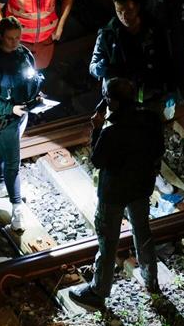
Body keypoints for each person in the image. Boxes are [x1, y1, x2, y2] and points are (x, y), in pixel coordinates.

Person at [69, 78, 164, 310]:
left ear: (111, 101)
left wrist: (97, 130)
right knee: (143, 231)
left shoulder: (112, 130)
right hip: (141, 187)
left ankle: (98, 291)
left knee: (108, 240)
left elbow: (98, 160)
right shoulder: (150, 119)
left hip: (114, 193)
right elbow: (159, 149)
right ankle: (151, 281)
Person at [0, 17, 43, 230]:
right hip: (6, 120)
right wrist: (10, 109)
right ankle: (17, 209)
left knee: (5, 152)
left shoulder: (23, 54)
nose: (15, 42)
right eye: (10, 38)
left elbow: (31, 77)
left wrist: (36, 96)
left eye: (18, 37)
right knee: (13, 163)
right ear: (0, 37)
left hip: (22, 113)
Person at [89, 0, 167, 113]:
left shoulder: (153, 30)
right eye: (119, 12)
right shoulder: (107, 34)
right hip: (119, 101)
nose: (124, 17)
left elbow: (166, 59)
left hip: (150, 96)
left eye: (128, 11)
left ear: (137, 7)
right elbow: (93, 68)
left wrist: (169, 88)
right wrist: (104, 67)